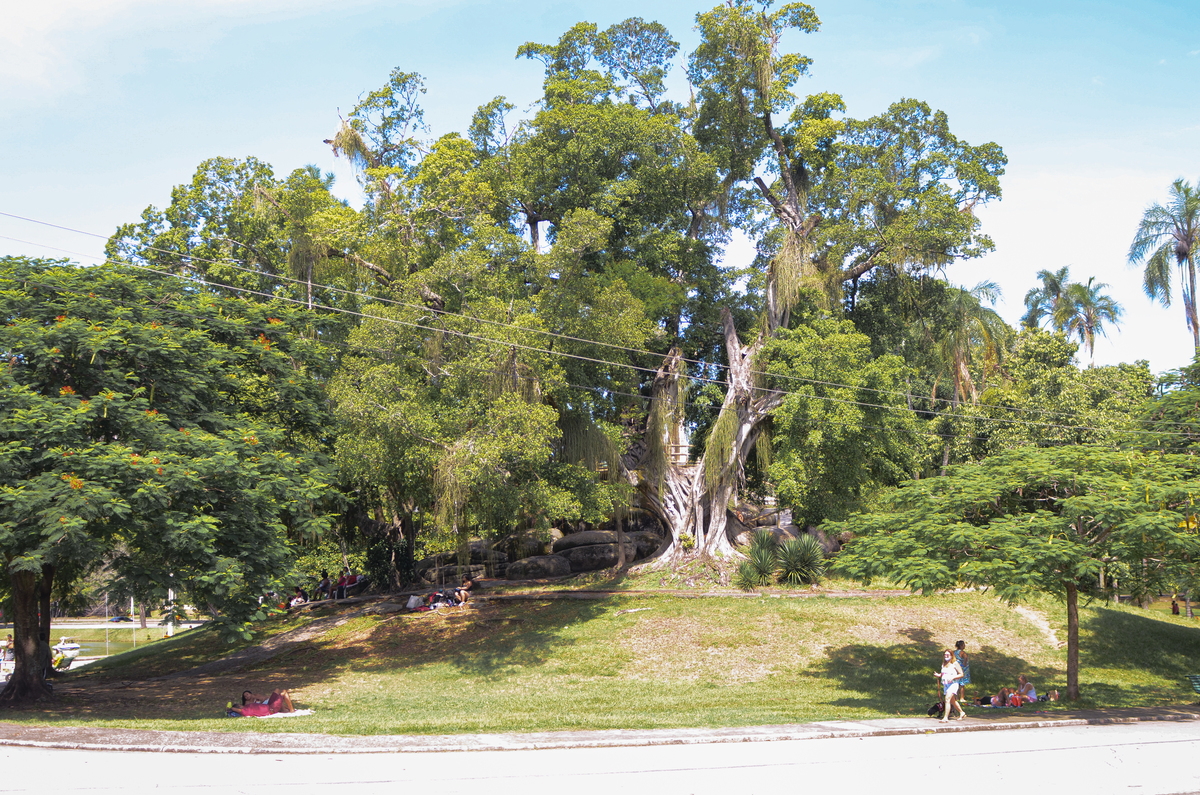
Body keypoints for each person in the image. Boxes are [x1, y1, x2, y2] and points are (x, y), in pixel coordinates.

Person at [935, 649, 967, 722]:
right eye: (945, 655)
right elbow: (944, 673)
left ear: (951, 656)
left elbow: (961, 674)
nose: (946, 656)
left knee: (947, 699)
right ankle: (962, 712)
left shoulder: (955, 663)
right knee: (953, 701)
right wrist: (939, 675)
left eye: (947, 655)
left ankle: (945, 717)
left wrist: (953, 677)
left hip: (953, 684)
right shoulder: (944, 663)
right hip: (946, 684)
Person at [227, 688, 296, 717]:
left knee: (277, 690)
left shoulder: (255, 697)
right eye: (245, 696)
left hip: (268, 705)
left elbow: (264, 698)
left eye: (247, 694)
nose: (247, 697)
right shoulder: (244, 710)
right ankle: (292, 710)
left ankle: (285, 709)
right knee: (284, 692)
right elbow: (234, 709)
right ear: (239, 706)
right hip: (270, 709)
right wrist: (229, 708)